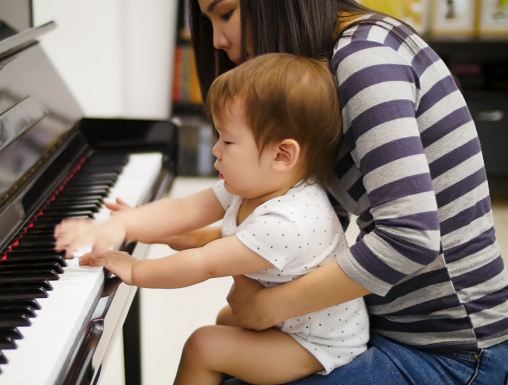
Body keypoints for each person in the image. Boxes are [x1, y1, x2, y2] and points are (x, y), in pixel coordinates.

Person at [173, 1, 508, 384]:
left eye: (226, 14)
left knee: (220, 361)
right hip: (395, 325)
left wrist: (269, 307)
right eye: (208, 22)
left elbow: (411, 237)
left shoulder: (366, 59)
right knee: (227, 352)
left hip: (454, 351)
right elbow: (316, 219)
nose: (217, 40)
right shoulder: (329, 61)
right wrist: (208, 242)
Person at [55, 52, 369, 385]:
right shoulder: (254, 186)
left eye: (228, 140)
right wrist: (122, 224)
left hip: (318, 345)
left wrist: (134, 270)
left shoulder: (286, 222)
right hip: (291, 324)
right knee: (226, 319)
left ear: (282, 155)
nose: (216, 149)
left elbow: (202, 263)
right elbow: (184, 210)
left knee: (203, 346)